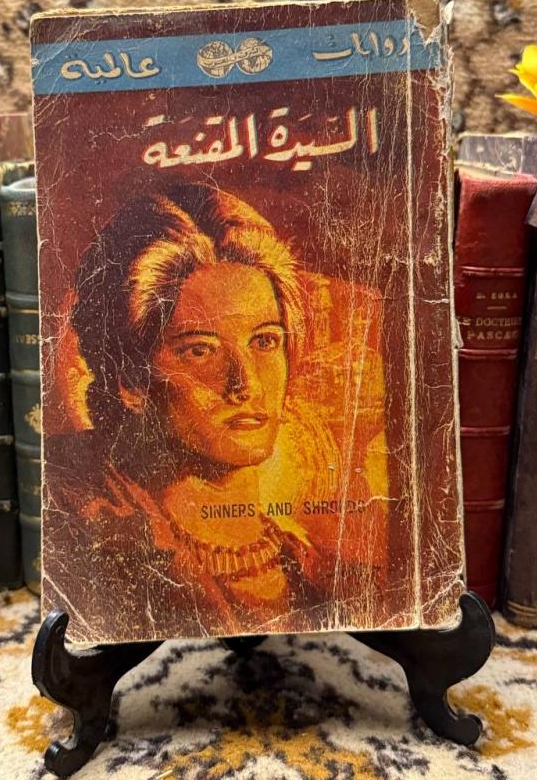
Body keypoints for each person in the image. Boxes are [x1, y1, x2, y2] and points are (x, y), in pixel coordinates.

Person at [54, 182, 385, 637]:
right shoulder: (86, 525)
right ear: (131, 379)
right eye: (200, 350)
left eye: (265, 341)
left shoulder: (315, 567)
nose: (245, 385)